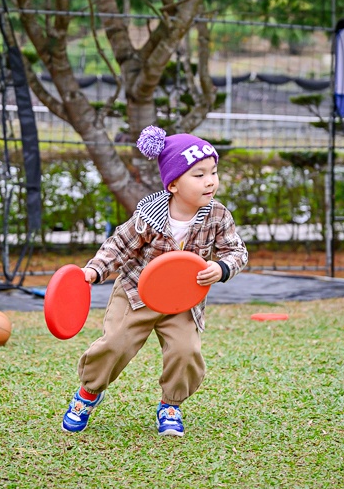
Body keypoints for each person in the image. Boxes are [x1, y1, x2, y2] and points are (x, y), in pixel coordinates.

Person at [61, 125, 248, 437]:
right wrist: (95, 270)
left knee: (186, 351)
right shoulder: (149, 214)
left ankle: (171, 404)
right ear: (173, 184)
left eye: (213, 172)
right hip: (136, 292)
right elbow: (118, 246)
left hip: (183, 300)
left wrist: (223, 267)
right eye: (198, 174)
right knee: (116, 343)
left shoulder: (217, 215)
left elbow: (237, 250)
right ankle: (88, 393)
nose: (210, 180)